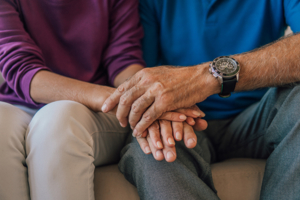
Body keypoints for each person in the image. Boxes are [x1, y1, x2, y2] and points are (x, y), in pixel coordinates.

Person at [0, 0, 201, 199]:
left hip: (89, 112)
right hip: (21, 102)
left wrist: (147, 98)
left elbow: (123, 60)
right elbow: (22, 69)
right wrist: (119, 99)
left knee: (59, 120)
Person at [102, 0, 300, 199]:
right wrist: (159, 105)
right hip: (181, 119)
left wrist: (207, 78)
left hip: (258, 115)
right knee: (154, 149)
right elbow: (138, 68)